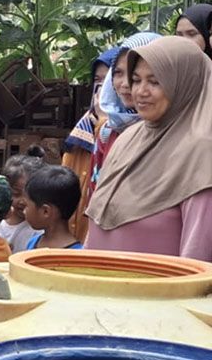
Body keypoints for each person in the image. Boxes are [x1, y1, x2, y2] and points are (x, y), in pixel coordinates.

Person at [85, 36, 212, 260]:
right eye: (137, 80)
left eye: (155, 82)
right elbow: (97, 221)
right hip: (98, 287)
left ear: (185, 84)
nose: (140, 92)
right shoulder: (127, 139)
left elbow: (197, 257)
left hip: (157, 292)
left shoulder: (201, 152)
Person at [90, 32, 163, 194]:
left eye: (133, 75)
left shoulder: (169, 132)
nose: (125, 84)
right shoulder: (108, 130)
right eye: (118, 73)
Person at [62, 45, 119, 242]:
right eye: (97, 80)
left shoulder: (130, 133)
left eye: (109, 80)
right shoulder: (80, 132)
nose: (102, 89)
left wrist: (105, 124)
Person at [24, 166, 83, 250]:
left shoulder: (77, 257)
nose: (24, 211)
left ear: (45, 211)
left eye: (26, 206)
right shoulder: (33, 242)